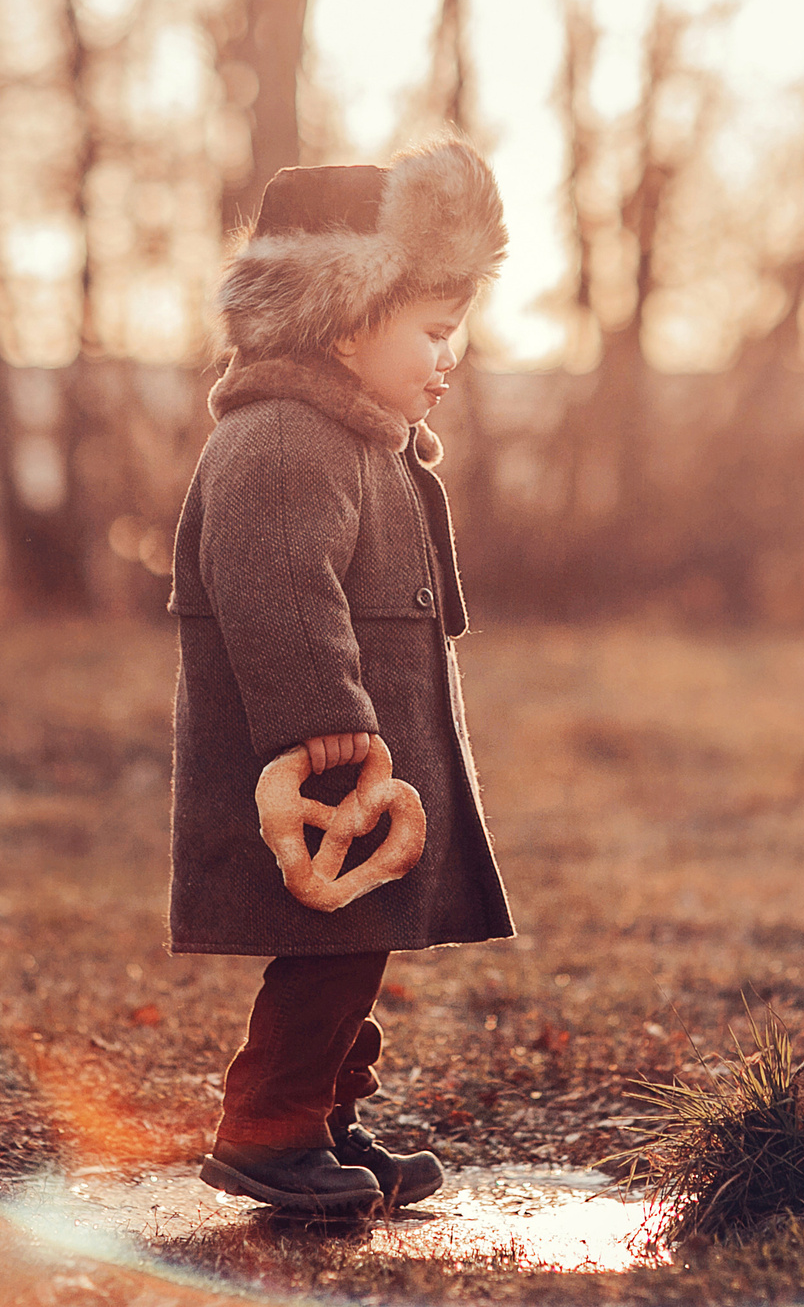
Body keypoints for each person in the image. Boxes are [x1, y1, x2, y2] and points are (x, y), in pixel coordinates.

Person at [167, 140, 515, 1216]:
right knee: (328, 948)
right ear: (347, 315)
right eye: (433, 333)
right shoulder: (280, 442)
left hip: (363, 753)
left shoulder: (361, 437)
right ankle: (268, 1127)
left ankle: (322, 1114)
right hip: (318, 760)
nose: (447, 359)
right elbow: (276, 592)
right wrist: (323, 727)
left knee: (352, 944)